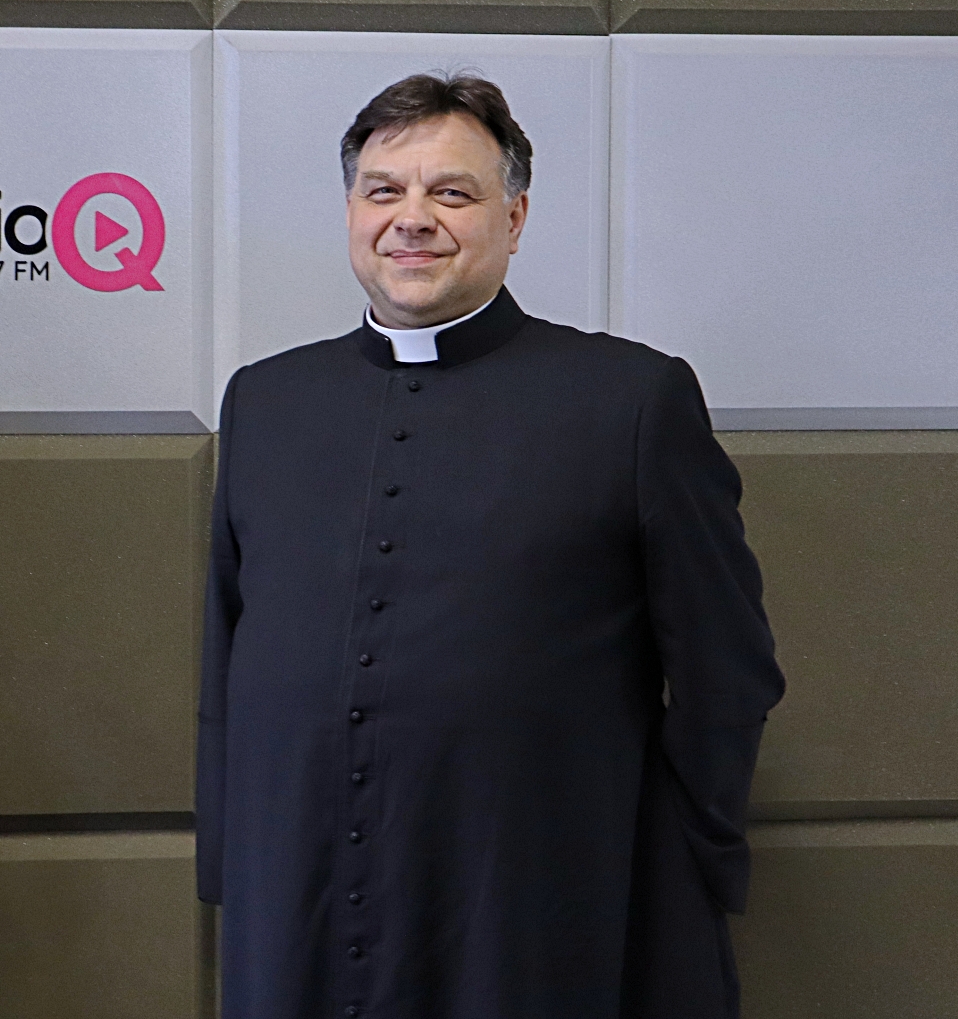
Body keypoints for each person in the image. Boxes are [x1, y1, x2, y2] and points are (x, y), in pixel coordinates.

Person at [196, 73, 786, 1018]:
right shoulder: (265, 401)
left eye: (451, 192)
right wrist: (237, 863)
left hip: (536, 898)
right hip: (298, 892)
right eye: (383, 191)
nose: (411, 219)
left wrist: (678, 863)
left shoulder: (632, 400)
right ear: (350, 212)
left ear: (514, 219)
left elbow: (728, 671)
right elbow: (228, 654)